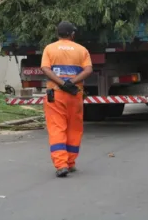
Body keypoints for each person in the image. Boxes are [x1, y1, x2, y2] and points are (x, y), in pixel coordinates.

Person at [40, 21, 93, 177]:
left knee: (57, 128)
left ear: (57, 34)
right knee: (74, 129)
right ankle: (70, 163)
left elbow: (45, 68)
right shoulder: (81, 50)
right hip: (74, 94)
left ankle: (60, 164)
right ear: (72, 34)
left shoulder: (49, 49)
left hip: (55, 95)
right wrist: (72, 82)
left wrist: (61, 83)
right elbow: (88, 69)